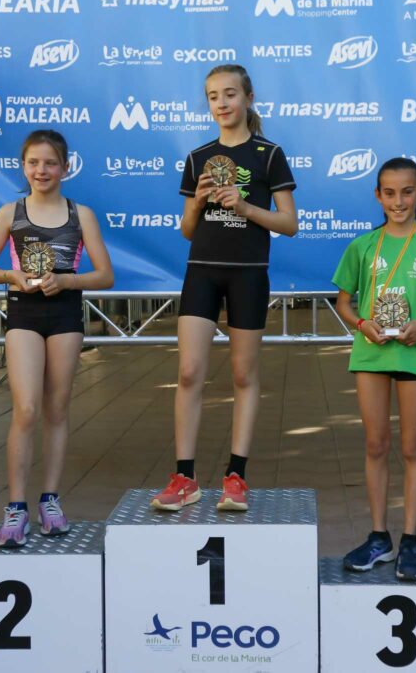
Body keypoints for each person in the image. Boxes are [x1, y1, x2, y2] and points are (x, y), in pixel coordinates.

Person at [150, 64, 297, 512]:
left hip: (248, 273)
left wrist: (246, 207)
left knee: (243, 375)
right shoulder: (198, 158)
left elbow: (289, 223)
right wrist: (197, 204)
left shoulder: (269, 154)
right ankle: (185, 478)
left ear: (249, 98)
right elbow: (187, 230)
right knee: (189, 372)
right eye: (213, 96)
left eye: (230, 94)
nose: (222, 103)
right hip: (201, 272)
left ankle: (237, 477)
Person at [0, 130, 113, 548]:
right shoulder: (10, 213)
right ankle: (16, 506)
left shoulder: (80, 215)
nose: (41, 170)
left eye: (50, 163)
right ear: (23, 166)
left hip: (65, 315)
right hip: (23, 314)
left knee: (56, 408)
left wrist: (67, 281)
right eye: (33, 162)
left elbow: (105, 275)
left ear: (65, 168)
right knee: (27, 408)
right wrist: (11, 275)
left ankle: (50, 500)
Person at [331, 157, 416, 581]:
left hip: (413, 352)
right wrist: (361, 325)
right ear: (377, 195)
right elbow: (344, 302)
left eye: (407, 192)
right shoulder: (363, 246)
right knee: (375, 444)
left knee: (412, 448)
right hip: (371, 353)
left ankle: (409, 540)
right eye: (389, 193)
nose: (398, 201)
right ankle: (378, 537)